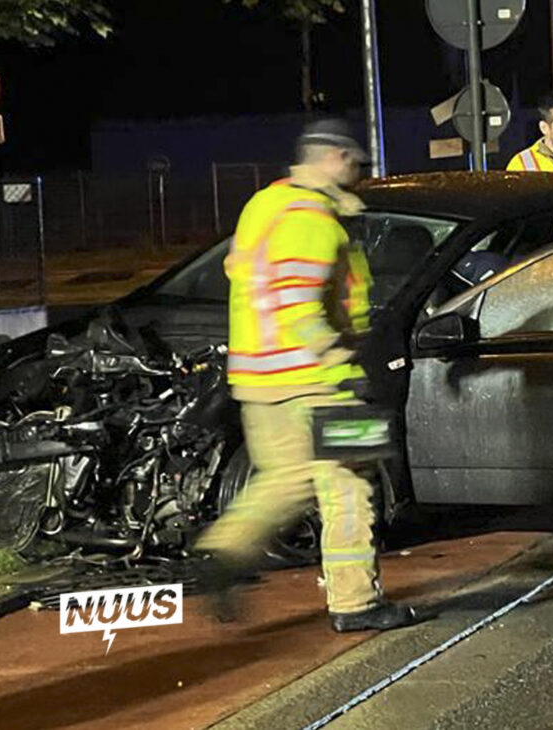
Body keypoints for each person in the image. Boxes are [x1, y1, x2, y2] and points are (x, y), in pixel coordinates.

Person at [197, 118, 424, 633]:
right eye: (356, 163)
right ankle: (356, 603)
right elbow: (299, 303)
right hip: (317, 383)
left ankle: (223, 552)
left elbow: (242, 274)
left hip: (258, 380)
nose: (360, 173)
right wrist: (338, 368)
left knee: (283, 481)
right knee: (349, 488)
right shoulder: (311, 220)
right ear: (334, 158)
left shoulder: (264, 207)